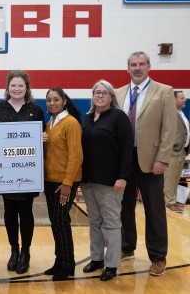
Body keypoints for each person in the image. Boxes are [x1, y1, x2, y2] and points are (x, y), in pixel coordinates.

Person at [116, 51, 176, 276]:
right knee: (124, 207)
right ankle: (126, 247)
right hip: (124, 161)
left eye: (142, 64)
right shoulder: (119, 93)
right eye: (133, 64)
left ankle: (159, 256)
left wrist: (162, 158)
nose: (137, 68)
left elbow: (170, 129)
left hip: (151, 161)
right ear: (128, 68)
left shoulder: (164, 91)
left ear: (149, 66)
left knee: (155, 210)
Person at [0, 70, 45, 274]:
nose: (17, 89)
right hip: (5, 171)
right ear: (8, 87)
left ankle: (26, 252)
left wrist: (41, 140)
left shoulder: (35, 109)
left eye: (21, 85)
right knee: (9, 212)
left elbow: (41, 139)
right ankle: (14, 250)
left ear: (26, 88)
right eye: (13, 85)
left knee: (26, 212)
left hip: (27, 171)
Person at [81, 80, 133, 281]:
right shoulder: (86, 118)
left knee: (111, 223)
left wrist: (122, 177)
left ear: (112, 96)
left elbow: (127, 149)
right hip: (87, 181)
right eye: (97, 92)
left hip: (111, 182)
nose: (100, 95)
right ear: (92, 95)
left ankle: (112, 264)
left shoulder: (119, 118)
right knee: (94, 221)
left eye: (104, 93)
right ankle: (97, 258)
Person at [43, 88, 83, 281]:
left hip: (64, 182)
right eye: (49, 100)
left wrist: (67, 183)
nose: (52, 103)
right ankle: (60, 260)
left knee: (61, 221)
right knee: (56, 222)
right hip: (50, 181)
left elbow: (76, 156)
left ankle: (68, 264)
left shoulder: (71, 123)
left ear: (64, 101)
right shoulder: (50, 123)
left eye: (56, 99)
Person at [164, 90, 189, 213]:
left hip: (182, 151)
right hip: (173, 151)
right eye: (182, 98)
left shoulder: (180, 112)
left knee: (175, 178)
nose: (185, 100)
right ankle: (168, 203)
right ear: (173, 100)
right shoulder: (170, 113)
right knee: (169, 178)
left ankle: (173, 201)